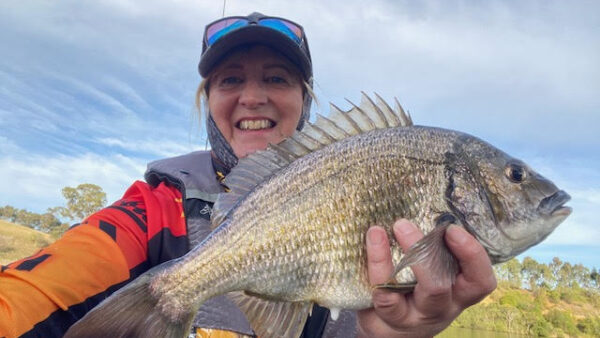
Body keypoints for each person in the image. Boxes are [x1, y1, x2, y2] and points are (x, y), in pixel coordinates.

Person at [0, 12, 496, 338]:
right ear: (208, 101)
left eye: (276, 79)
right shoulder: (154, 211)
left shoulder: (357, 179)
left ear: (305, 100)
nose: (253, 97)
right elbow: (31, 294)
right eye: (230, 79)